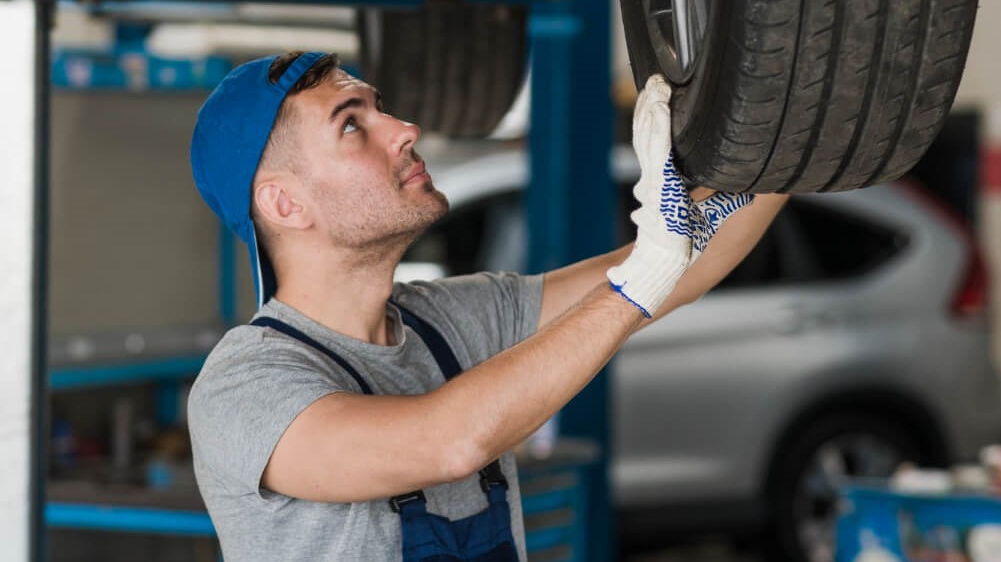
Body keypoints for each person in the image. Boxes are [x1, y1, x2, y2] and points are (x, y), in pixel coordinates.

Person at [187, 51, 788, 562]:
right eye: (351, 125)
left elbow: (681, 265)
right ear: (285, 205)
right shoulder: (244, 386)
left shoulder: (450, 322)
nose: (404, 129)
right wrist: (637, 283)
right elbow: (448, 443)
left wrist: (804, 115)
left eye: (379, 108)